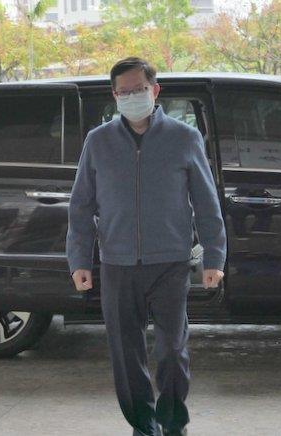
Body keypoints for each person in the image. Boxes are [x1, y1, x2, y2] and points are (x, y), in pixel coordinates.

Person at [66, 57, 227, 436]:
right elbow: (81, 205)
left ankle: (172, 424)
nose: (131, 97)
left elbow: (206, 203)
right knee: (126, 355)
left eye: (138, 90)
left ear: (154, 90)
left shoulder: (184, 138)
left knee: (172, 350)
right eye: (123, 92)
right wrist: (79, 260)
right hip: (117, 266)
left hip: (169, 263)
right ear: (114, 96)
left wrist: (214, 257)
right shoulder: (98, 141)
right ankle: (143, 427)